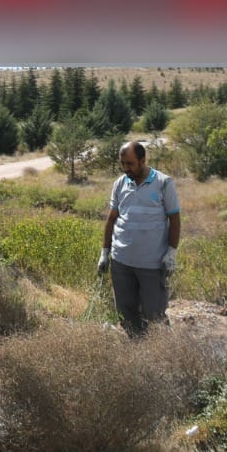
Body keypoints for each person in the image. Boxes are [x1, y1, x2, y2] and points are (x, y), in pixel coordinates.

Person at [98, 140, 181, 335]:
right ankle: (134, 349)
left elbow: (175, 220)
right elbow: (111, 219)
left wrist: (171, 253)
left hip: (151, 264)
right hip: (121, 262)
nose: (126, 168)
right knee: (126, 313)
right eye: (123, 164)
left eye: (130, 164)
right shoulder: (120, 183)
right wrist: (104, 253)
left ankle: (158, 354)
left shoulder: (163, 183)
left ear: (142, 160)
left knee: (155, 315)